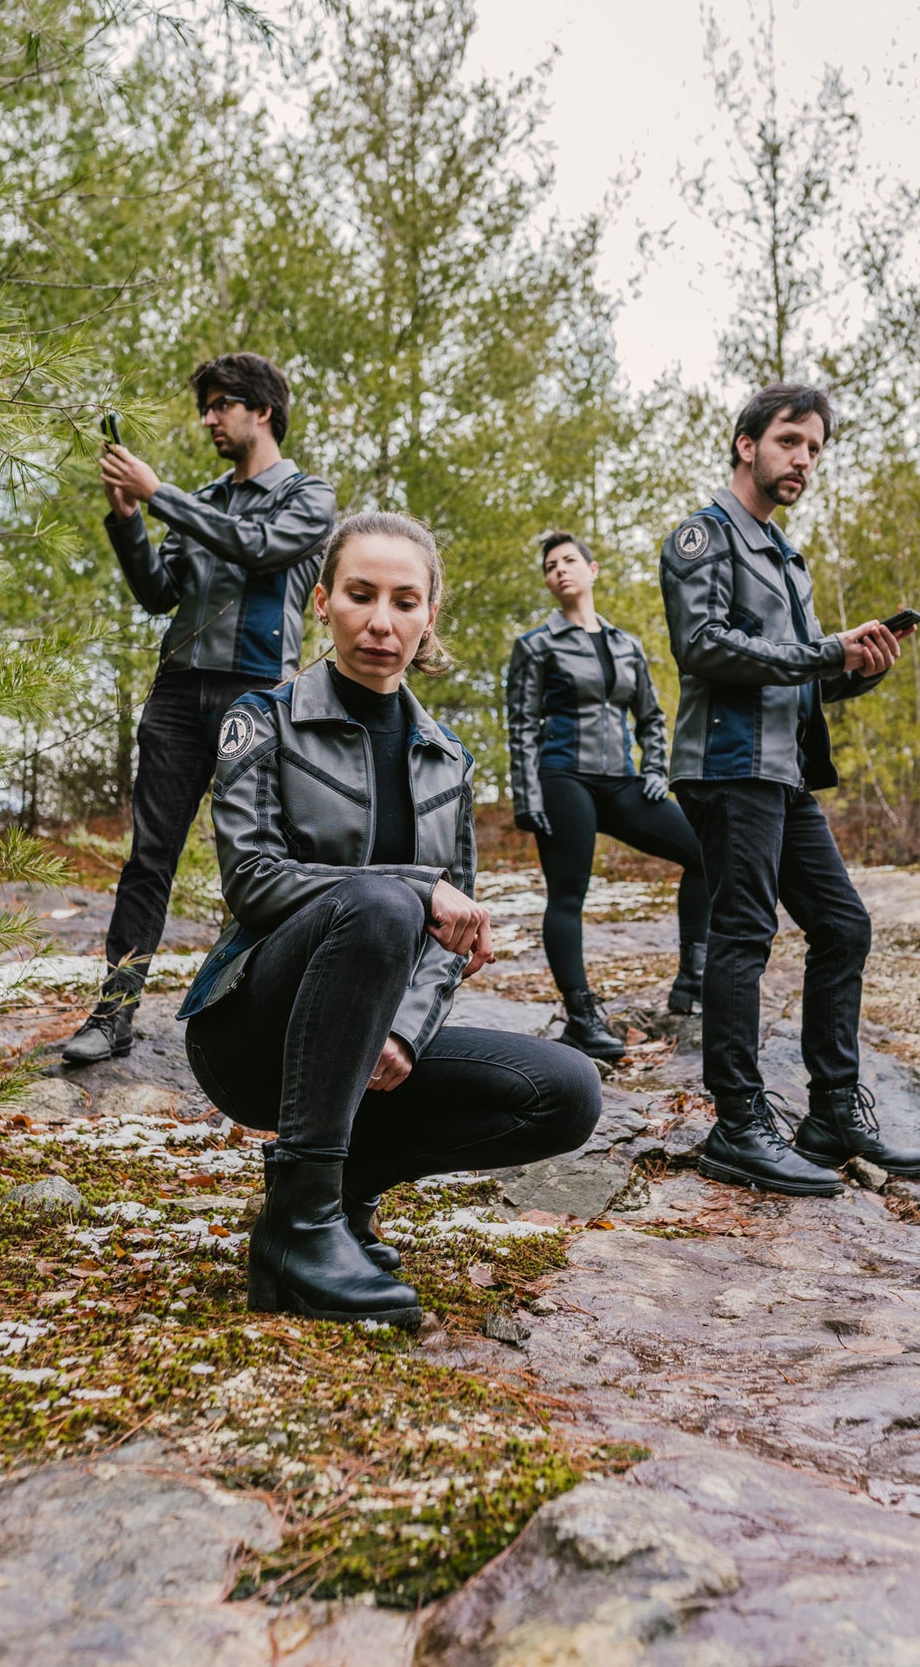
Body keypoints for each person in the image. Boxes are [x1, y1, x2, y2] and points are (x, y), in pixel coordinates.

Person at [178, 512, 602, 1326]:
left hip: (372, 1039)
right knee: (381, 903)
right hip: (252, 1035)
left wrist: (405, 1031)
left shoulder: (448, 759)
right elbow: (254, 882)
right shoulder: (261, 719)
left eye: (404, 602)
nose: (381, 621)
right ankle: (303, 1227)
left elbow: (451, 940)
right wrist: (414, 886)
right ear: (323, 603)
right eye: (359, 595)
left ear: (428, 616)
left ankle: (338, 1196)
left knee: (565, 1092)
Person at [659, 383, 920, 1196]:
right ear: (745, 444)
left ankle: (831, 1113)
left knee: (842, 926)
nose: (803, 460)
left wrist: (858, 667)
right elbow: (703, 646)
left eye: (814, 449)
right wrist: (825, 652)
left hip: (782, 773)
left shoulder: (786, 558)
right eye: (789, 441)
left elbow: (800, 678)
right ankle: (736, 1124)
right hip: (726, 766)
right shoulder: (702, 536)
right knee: (743, 933)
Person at [60, 353, 336, 1067]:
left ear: (262, 410)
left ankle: (258, 1019)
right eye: (205, 408)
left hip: (259, 696)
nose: (209, 419)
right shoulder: (203, 498)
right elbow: (158, 594)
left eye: (220, 405)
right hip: (178, 693)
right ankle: (113, 1016)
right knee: (148, 858)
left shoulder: (309, 496)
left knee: (257, 862)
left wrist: (158, 493)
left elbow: (259, 549)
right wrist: (129, 518)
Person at [507, 531, 709, 1062]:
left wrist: (656, 769)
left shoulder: (626, 645)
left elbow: (651, 716)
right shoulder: (536, 645)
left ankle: (693, 981)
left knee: (705, 852)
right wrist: (527, 796)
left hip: (621, 781)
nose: (559, 570)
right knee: (567, 894)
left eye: (569, 560)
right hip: (562, 778)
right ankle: (581, 1018)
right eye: (550, 566)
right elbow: (522, 726)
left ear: (592, 570)